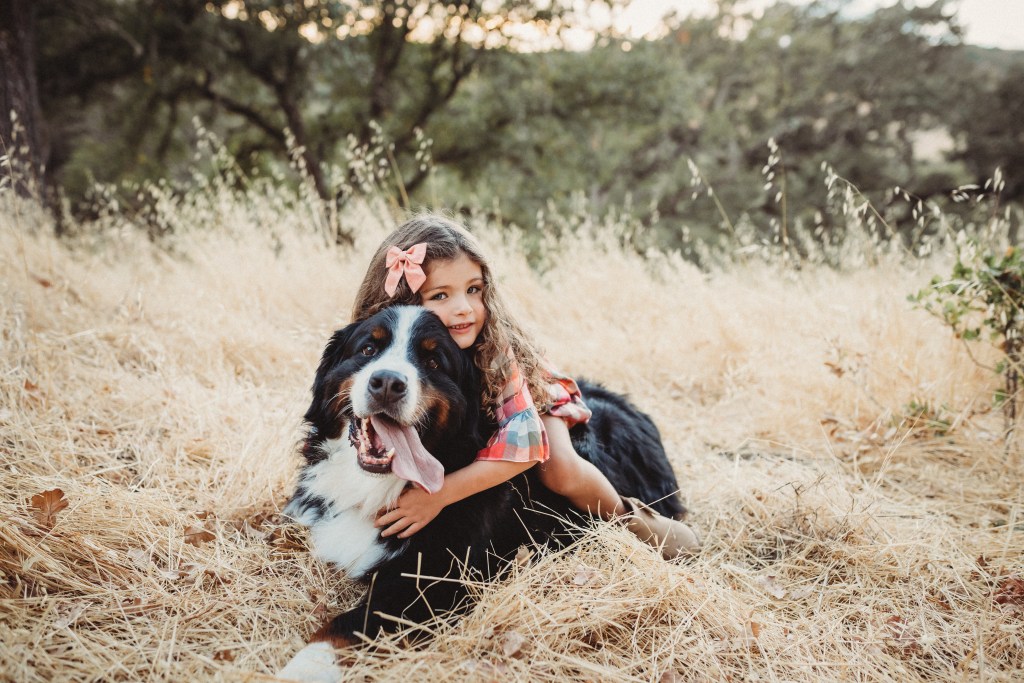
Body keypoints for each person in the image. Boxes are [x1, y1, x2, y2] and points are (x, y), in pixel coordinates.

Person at [352, 213, 701, 560]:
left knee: (559, 470)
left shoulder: (495, 353)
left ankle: (634, 522)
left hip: (538, 400)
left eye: (473, 290)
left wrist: (440, 495)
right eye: (440, 295)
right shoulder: (388, 348)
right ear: (402, 303)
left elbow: (526, 447)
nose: (463, 309)